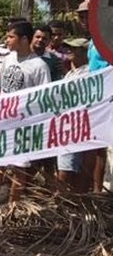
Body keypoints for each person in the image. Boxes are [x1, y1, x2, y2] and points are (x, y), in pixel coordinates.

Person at [0, 21, 51, 206]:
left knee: (20, 170)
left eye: (11, 37)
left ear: (24, 39)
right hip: (3, 122)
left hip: (24, 127)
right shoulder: (9, 59)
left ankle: (14, 209)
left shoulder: (39, 66)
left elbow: (44, 98)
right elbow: (0, 88)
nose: (7, 40)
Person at [77, 0, 109, 193]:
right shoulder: (91, 42)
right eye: (80, 16)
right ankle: (93, 191)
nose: (83, 20)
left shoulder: (107, 38)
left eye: (86, 16)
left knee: (102, 147)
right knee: (94, 146)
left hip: (106, 98)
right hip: (94, 98)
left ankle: (99, 191)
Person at [57, 38, 91, 192]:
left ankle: (65, 201)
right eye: (68, 47)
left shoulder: (90, 72)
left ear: (84, 52)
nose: (69, 50)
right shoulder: (70, 74)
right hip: (65, 125)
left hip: (78, 125)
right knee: (66, 165)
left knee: (68, 167)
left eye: (74, 48)